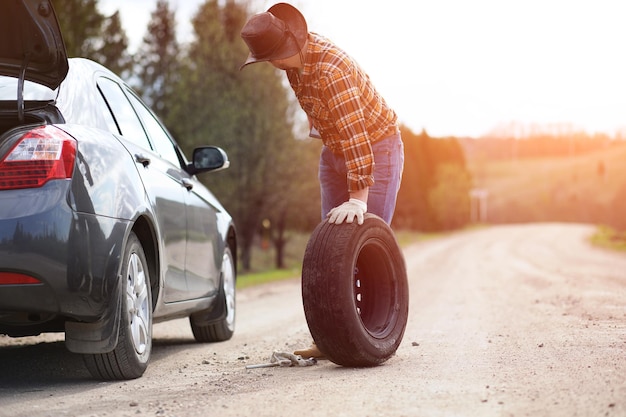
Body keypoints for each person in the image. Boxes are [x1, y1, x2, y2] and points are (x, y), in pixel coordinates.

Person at [240, 3, 404, 358]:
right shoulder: (293, 67)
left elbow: (357, 137)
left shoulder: (331, 70)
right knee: (333, 249)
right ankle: (329, 338)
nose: (272, 65)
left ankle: (372, 334)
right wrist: (335, 160)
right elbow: (332, 126)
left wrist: (358, 197)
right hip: (334, 151)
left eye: (273, 57)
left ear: (289, 46)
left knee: (361, 241)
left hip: (376, 148)